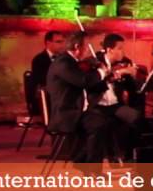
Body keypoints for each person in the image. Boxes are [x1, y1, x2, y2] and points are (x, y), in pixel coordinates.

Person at [45, 32, 113, 165]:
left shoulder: (73, 62)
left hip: (77, 111)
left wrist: (106, 77)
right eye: (86, 46)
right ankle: (86, 164)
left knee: (106, 122)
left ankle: (83, 161)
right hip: (65, 114)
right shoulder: (63, 63)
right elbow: (83, 81)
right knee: (99, 125)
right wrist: (101, 72)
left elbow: (89, 83)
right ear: (77, 47)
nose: (88, 50)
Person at [28, 31, 65, 115]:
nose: (62, 45)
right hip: (48, 95)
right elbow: (42, 80)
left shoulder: (64, 59)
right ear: (48, 43)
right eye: (58, 42)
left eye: (63, 42)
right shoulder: (39, 60)